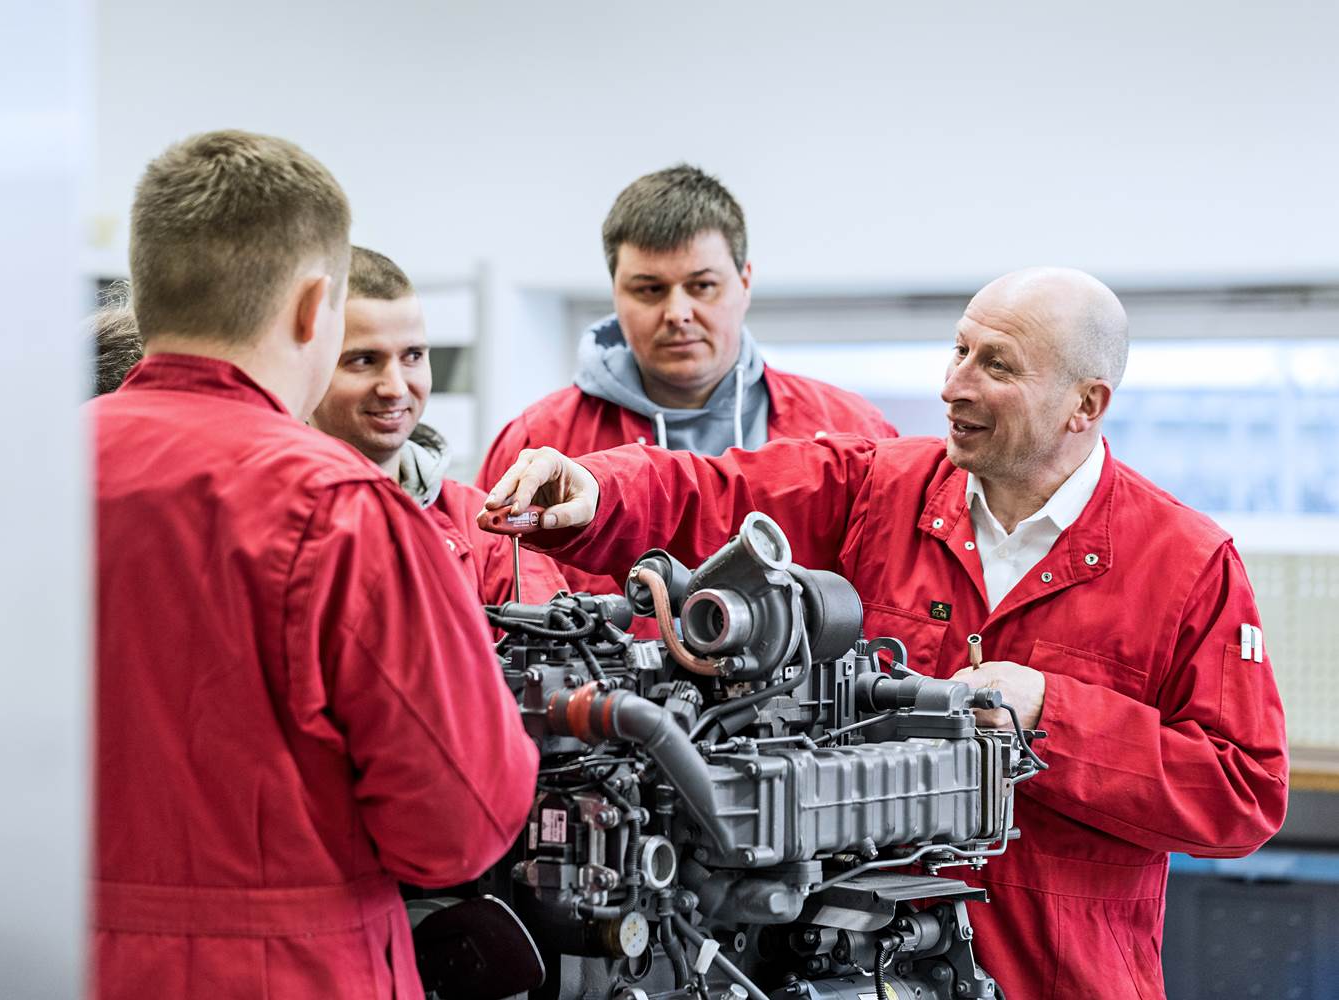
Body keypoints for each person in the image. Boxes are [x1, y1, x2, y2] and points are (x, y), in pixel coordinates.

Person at [481, 267, 1288, 1000]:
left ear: (1086, 404)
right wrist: (599, 488)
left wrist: (1052, 713)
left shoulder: (1186, 565)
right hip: (854, 971)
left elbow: (1243, 794)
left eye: (995, 366)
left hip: (1061, 975)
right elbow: (717, 492)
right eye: (958, 350)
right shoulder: (884, 488)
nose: (953, 386)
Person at [89, 130, 537, 1000]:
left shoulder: (14, 482)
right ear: (313, 308)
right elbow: (459, 826)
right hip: (283, 972)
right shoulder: (341, 509)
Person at [475, 164, 898, 599]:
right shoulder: (538, 445)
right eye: (650, 290)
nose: (677, 312)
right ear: (615, 292)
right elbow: (491, 602)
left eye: (702, 286)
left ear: (745, 282)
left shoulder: (852, 431)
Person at [309, 247, 566, 606]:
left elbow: (558, 646)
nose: (396, 387)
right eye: (364, 360)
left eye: (413, 356)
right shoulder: (272, 517)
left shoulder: (482, 526)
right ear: (309, 364)